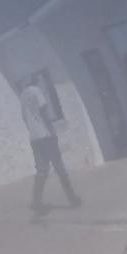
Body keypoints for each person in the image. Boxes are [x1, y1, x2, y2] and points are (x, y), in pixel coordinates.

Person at [21, 77, 81, 216]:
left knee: (41, 169)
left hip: (34, 137)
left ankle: (36, 201)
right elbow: (43, 110)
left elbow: (24, 118)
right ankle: (72, 199)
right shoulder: (36, 90)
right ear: (36, 81)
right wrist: (51, 129)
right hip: (46, 135)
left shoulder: (23, 96)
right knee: (59, 166)